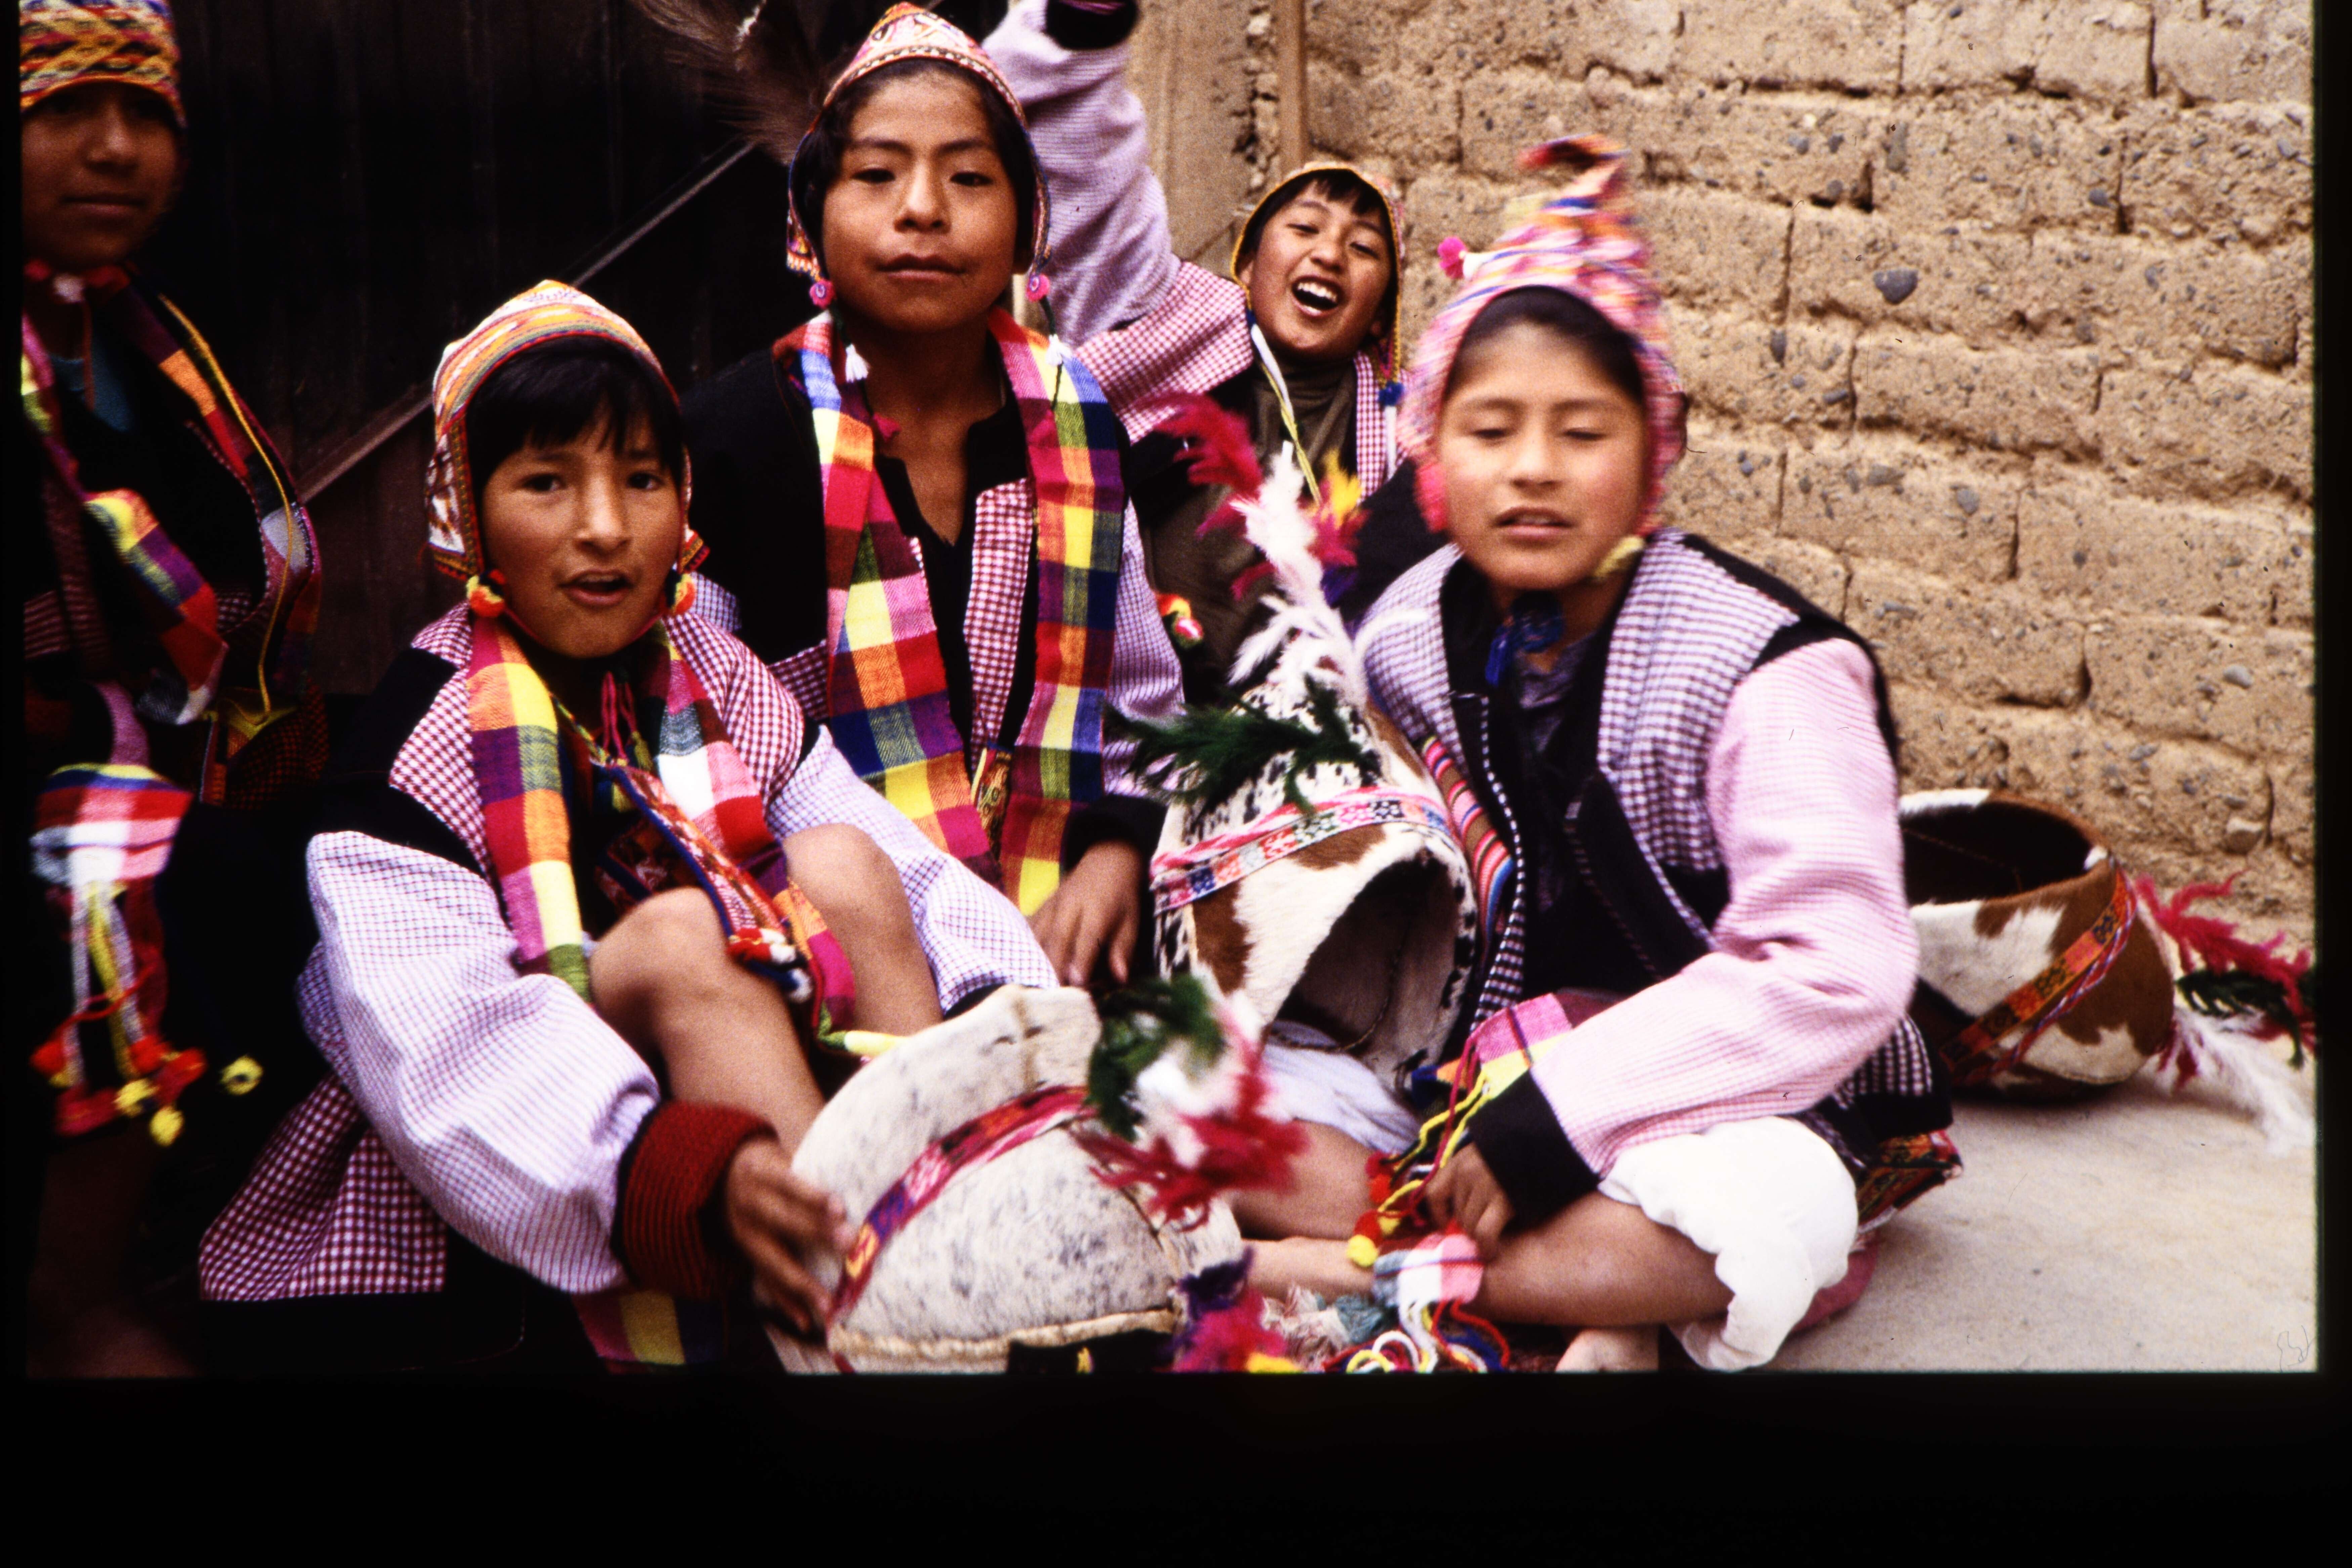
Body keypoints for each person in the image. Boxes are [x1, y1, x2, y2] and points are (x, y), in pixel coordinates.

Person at [197, 283, 1057, 1372]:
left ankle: (959, 1190)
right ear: (467, 511)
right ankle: (866, 1324)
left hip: (730, 1059)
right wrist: (687, 1168)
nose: (605, 526)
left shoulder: (703, 662)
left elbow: (893, 860)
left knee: (842, 858)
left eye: (642, 478)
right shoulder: (415, 749)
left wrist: (999, 1018)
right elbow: (444, 1049)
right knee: (678, 936)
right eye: (547, 482)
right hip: (532, 1171)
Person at [1248, 137, 1956, 1372]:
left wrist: (1560, 1116)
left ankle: (1351, 1271)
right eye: (1490, 428)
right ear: (1431, 451)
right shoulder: (1406, 634)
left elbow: (1837, 965)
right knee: (1185, 1102)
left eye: (1582, 431)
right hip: (1464, 1083)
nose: (1533, 468)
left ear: (1652, 452)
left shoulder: (1768, 668)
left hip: (1724, 1099)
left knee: (1773, 1220)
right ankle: (1578, 1304)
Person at [675, 4, 1182, 993]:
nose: (922, 209)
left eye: (968, 178)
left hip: (1065, 936)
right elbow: (698, 743)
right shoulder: (733, 444)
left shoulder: (1078, 423)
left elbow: (1140, 700)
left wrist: (1119, 848)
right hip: (826, 944)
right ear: (809, 218)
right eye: (876, 175)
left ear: (1029, 222)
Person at [15, 0, 327, 1375]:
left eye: (144, 113)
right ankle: (72, 1291)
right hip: (58, 788)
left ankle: (250, 1213)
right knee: (137, 870)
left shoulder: (144, 337)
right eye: (64, 110)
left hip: (164, 749)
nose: (114, 147)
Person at [986, 0, 1405, 698]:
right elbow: (1099, 194)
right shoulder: (1170, 324)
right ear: (1248, 267)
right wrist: (1085, 28)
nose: (1330, 254)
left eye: (1363, 249)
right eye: (1304, 228)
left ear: (1377, 320)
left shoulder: (1400, 430)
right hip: (1140, 711)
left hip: (1317, 731)